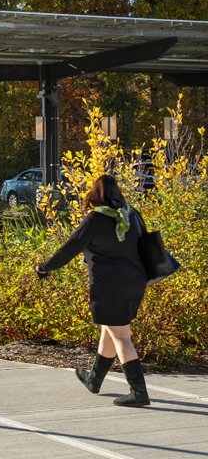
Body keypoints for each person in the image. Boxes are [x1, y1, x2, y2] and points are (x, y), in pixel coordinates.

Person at [36, 174, 150, 407]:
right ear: (117, 193)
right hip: (136, 282)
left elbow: (69, 249)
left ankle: (139, 392)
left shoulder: (95, 220)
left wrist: (45, 267)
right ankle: (94, 380)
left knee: (120, 335)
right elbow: (145, 244)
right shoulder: (133, 214)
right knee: (109, 330)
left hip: (109, 284)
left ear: (95, 195)